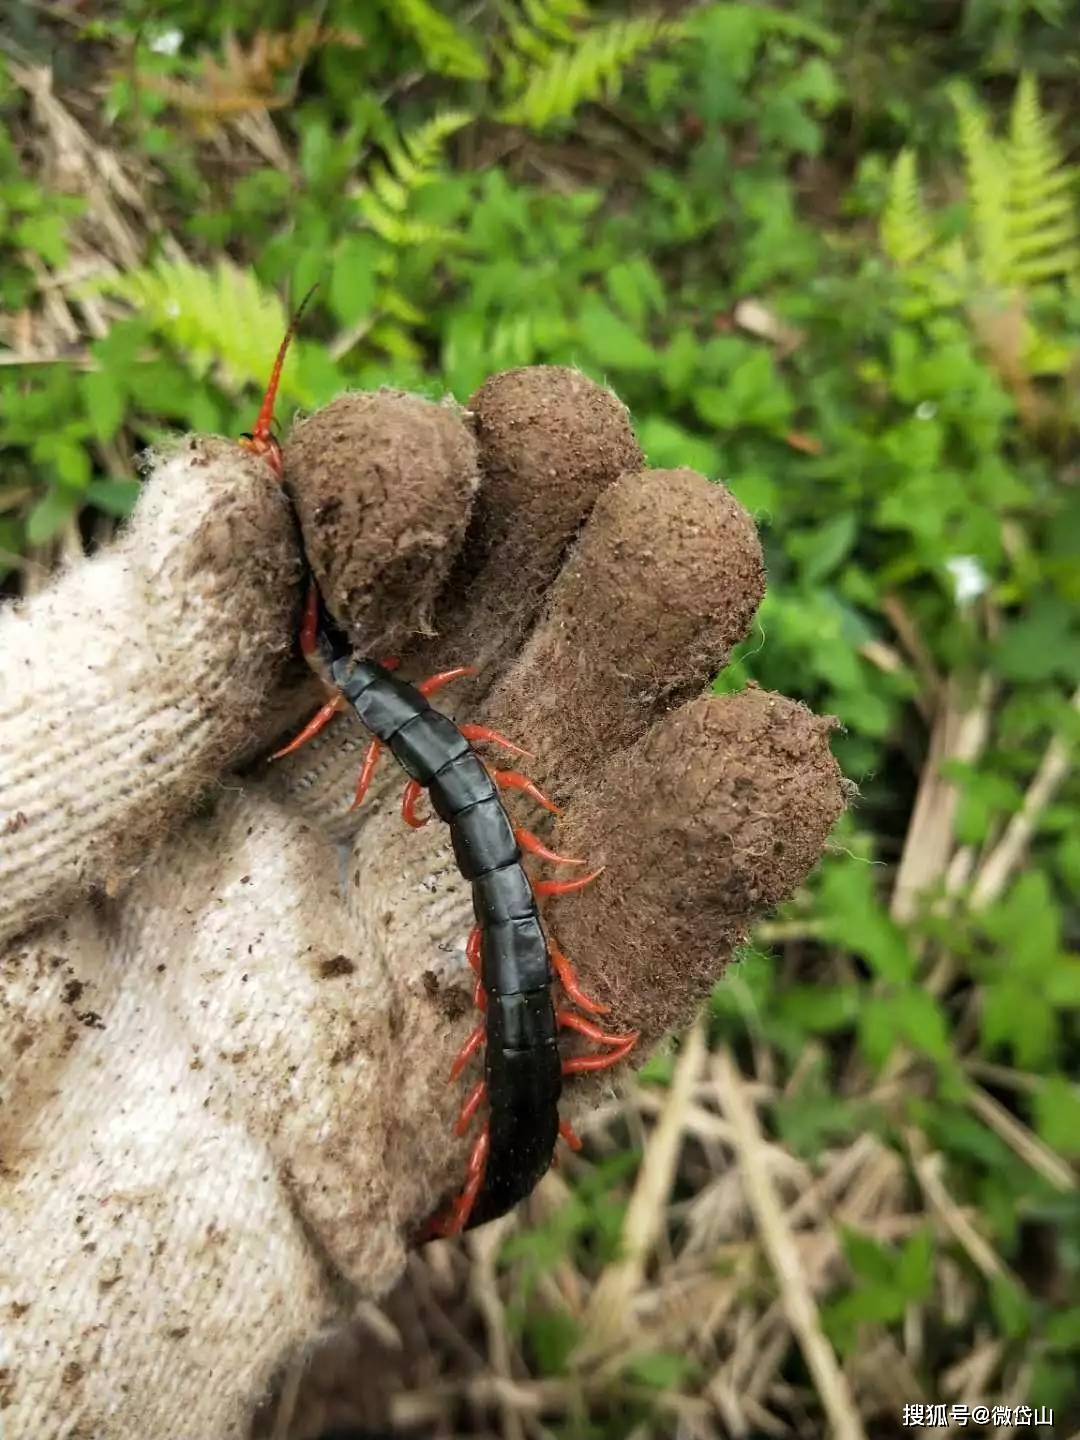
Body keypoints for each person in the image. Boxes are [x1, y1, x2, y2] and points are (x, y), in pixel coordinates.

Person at [0, 366, 843, 1439]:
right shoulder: (343, 696)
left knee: (509, 849)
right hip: (473, 971)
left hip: (472, 890)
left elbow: (480, 811)